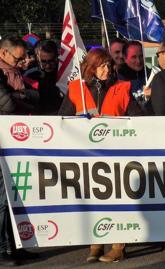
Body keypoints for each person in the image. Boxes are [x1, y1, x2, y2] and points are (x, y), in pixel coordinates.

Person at [58, 48, 143, 263]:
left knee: (117, 201)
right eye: (102, 65)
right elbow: (62, 119)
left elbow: (140, 119)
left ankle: (118, 246)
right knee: (92, 201)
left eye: (109, 65)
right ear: (91, 68)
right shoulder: (76, 89)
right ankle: (96, 243)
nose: (108, 69)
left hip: (117, 157)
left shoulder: (122, 88)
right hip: (87, 157)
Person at [0, 35, 40, 266]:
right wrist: (22, 97)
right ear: (4, 53)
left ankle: (15, 246)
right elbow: (10, 104)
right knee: (3, 199)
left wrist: (21, 97)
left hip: (13, 141)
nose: (24, 61)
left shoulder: (12, 73)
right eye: (19, 57)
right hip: (4, 141)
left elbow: (32, 99)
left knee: (14, 197)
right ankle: (4, 249)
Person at [24, 40, 63, 115]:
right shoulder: (30, 75)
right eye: (44, 61)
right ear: (38, 58)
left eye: (51, 61)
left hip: (60, 117)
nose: (48, 65)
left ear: (57, 57)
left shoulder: (64, 73)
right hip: (38, 119)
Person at [118, 41, 151, 111]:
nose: (138, 61)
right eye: (134, 57)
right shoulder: (117, 79)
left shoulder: (151, 75)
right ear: (125, 58)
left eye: (141, 56)